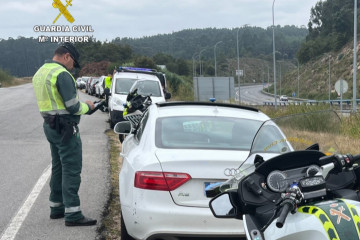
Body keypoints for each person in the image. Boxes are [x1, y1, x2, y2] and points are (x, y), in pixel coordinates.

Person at [32, 42, 97, 226]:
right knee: (71, 169)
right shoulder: (62, 74)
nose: (72, 67)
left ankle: (56, 208)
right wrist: (89, 107)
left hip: (50, 126)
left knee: (58, 167)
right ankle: (73, 214)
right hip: (66, 128)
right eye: (73, 63)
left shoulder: (40, 73)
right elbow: (73, 107)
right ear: (67, 56)